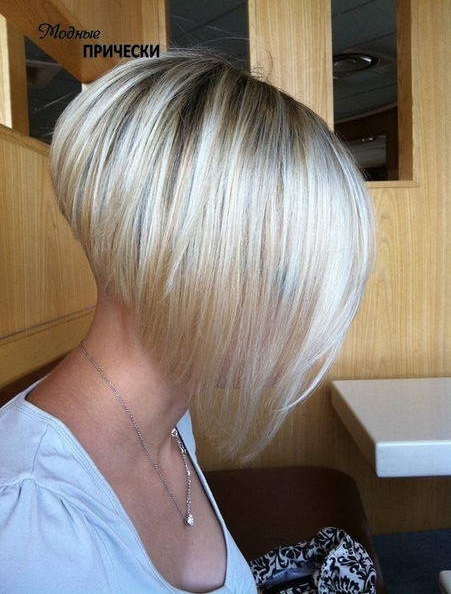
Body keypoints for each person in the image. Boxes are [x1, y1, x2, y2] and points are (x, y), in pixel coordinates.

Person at [0, 51, 375, 593]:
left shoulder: (169, 420)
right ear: (178, 261)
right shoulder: (30, 528)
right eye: (289, 279)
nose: (308, 319)